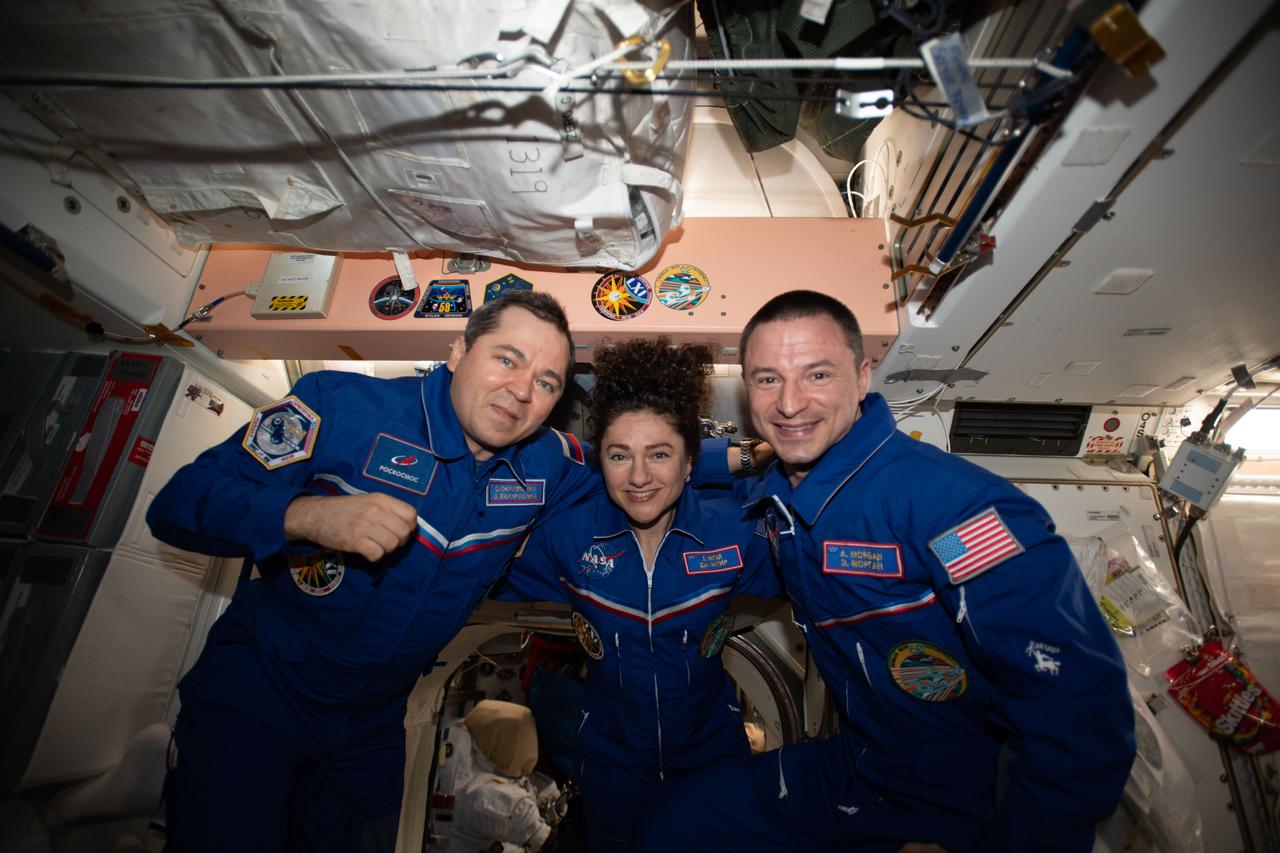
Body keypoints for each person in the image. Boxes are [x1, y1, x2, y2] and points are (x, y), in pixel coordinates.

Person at [634, 291, 1135, 853]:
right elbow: (656, 465)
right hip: (862, 766)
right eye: (767, 379)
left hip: (969, 793)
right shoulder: (778, 501)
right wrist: (693, 463)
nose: (790, 403)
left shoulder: (954, 506)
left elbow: (1078, 706)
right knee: (673, 826)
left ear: (863, 376)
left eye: (817, 374)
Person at [147, 291, 607, 853]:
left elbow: (631, 467)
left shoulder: (549, 463)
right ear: (458, 350)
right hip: (262, 696)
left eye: (547, 383)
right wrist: (307, 515)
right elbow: (178, 501)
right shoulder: (338, 403)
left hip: (370, 724)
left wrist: (730, 458)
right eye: (507, 359)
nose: (521, 391)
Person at [491, 338, 780, 851]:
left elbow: (816, 577)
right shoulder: (567, 538)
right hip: (611, 759)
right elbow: (473, 572)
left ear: (691, 461)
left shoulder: (735, 533)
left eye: (661, 455)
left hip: (711, 751)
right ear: (599, 460)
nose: (640, 477)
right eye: (619, 455)